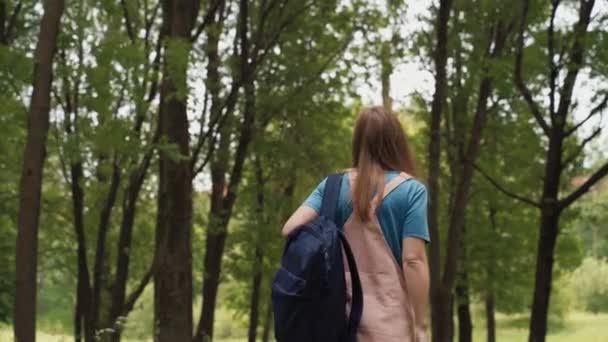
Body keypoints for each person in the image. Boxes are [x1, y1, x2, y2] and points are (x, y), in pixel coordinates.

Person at [282, 106, 430, 342]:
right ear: (397, 141)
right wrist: (421, 326)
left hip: (337, 323)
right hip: (391, 327)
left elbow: (290, 228)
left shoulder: (332, 186)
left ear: (358, 142)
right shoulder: (411, 191)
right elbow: (413, 260)